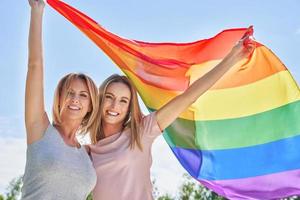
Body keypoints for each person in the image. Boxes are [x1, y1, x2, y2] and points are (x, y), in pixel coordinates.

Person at [88, 28, 255, 199]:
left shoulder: (141, 132)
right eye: (109, 97)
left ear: (130, 107)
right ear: (100, 100)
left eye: (123, 100)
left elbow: (188, 97)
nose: (115, 105)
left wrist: (233, 57)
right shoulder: (87, 153)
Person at [22, 1, 98, 199]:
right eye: (70, 92)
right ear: (60, 96)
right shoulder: (39, 128)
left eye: (83, 95)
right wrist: (37, 11)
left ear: (91, 106)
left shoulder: (88, 155)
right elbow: (34, 66)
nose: (75, 99)